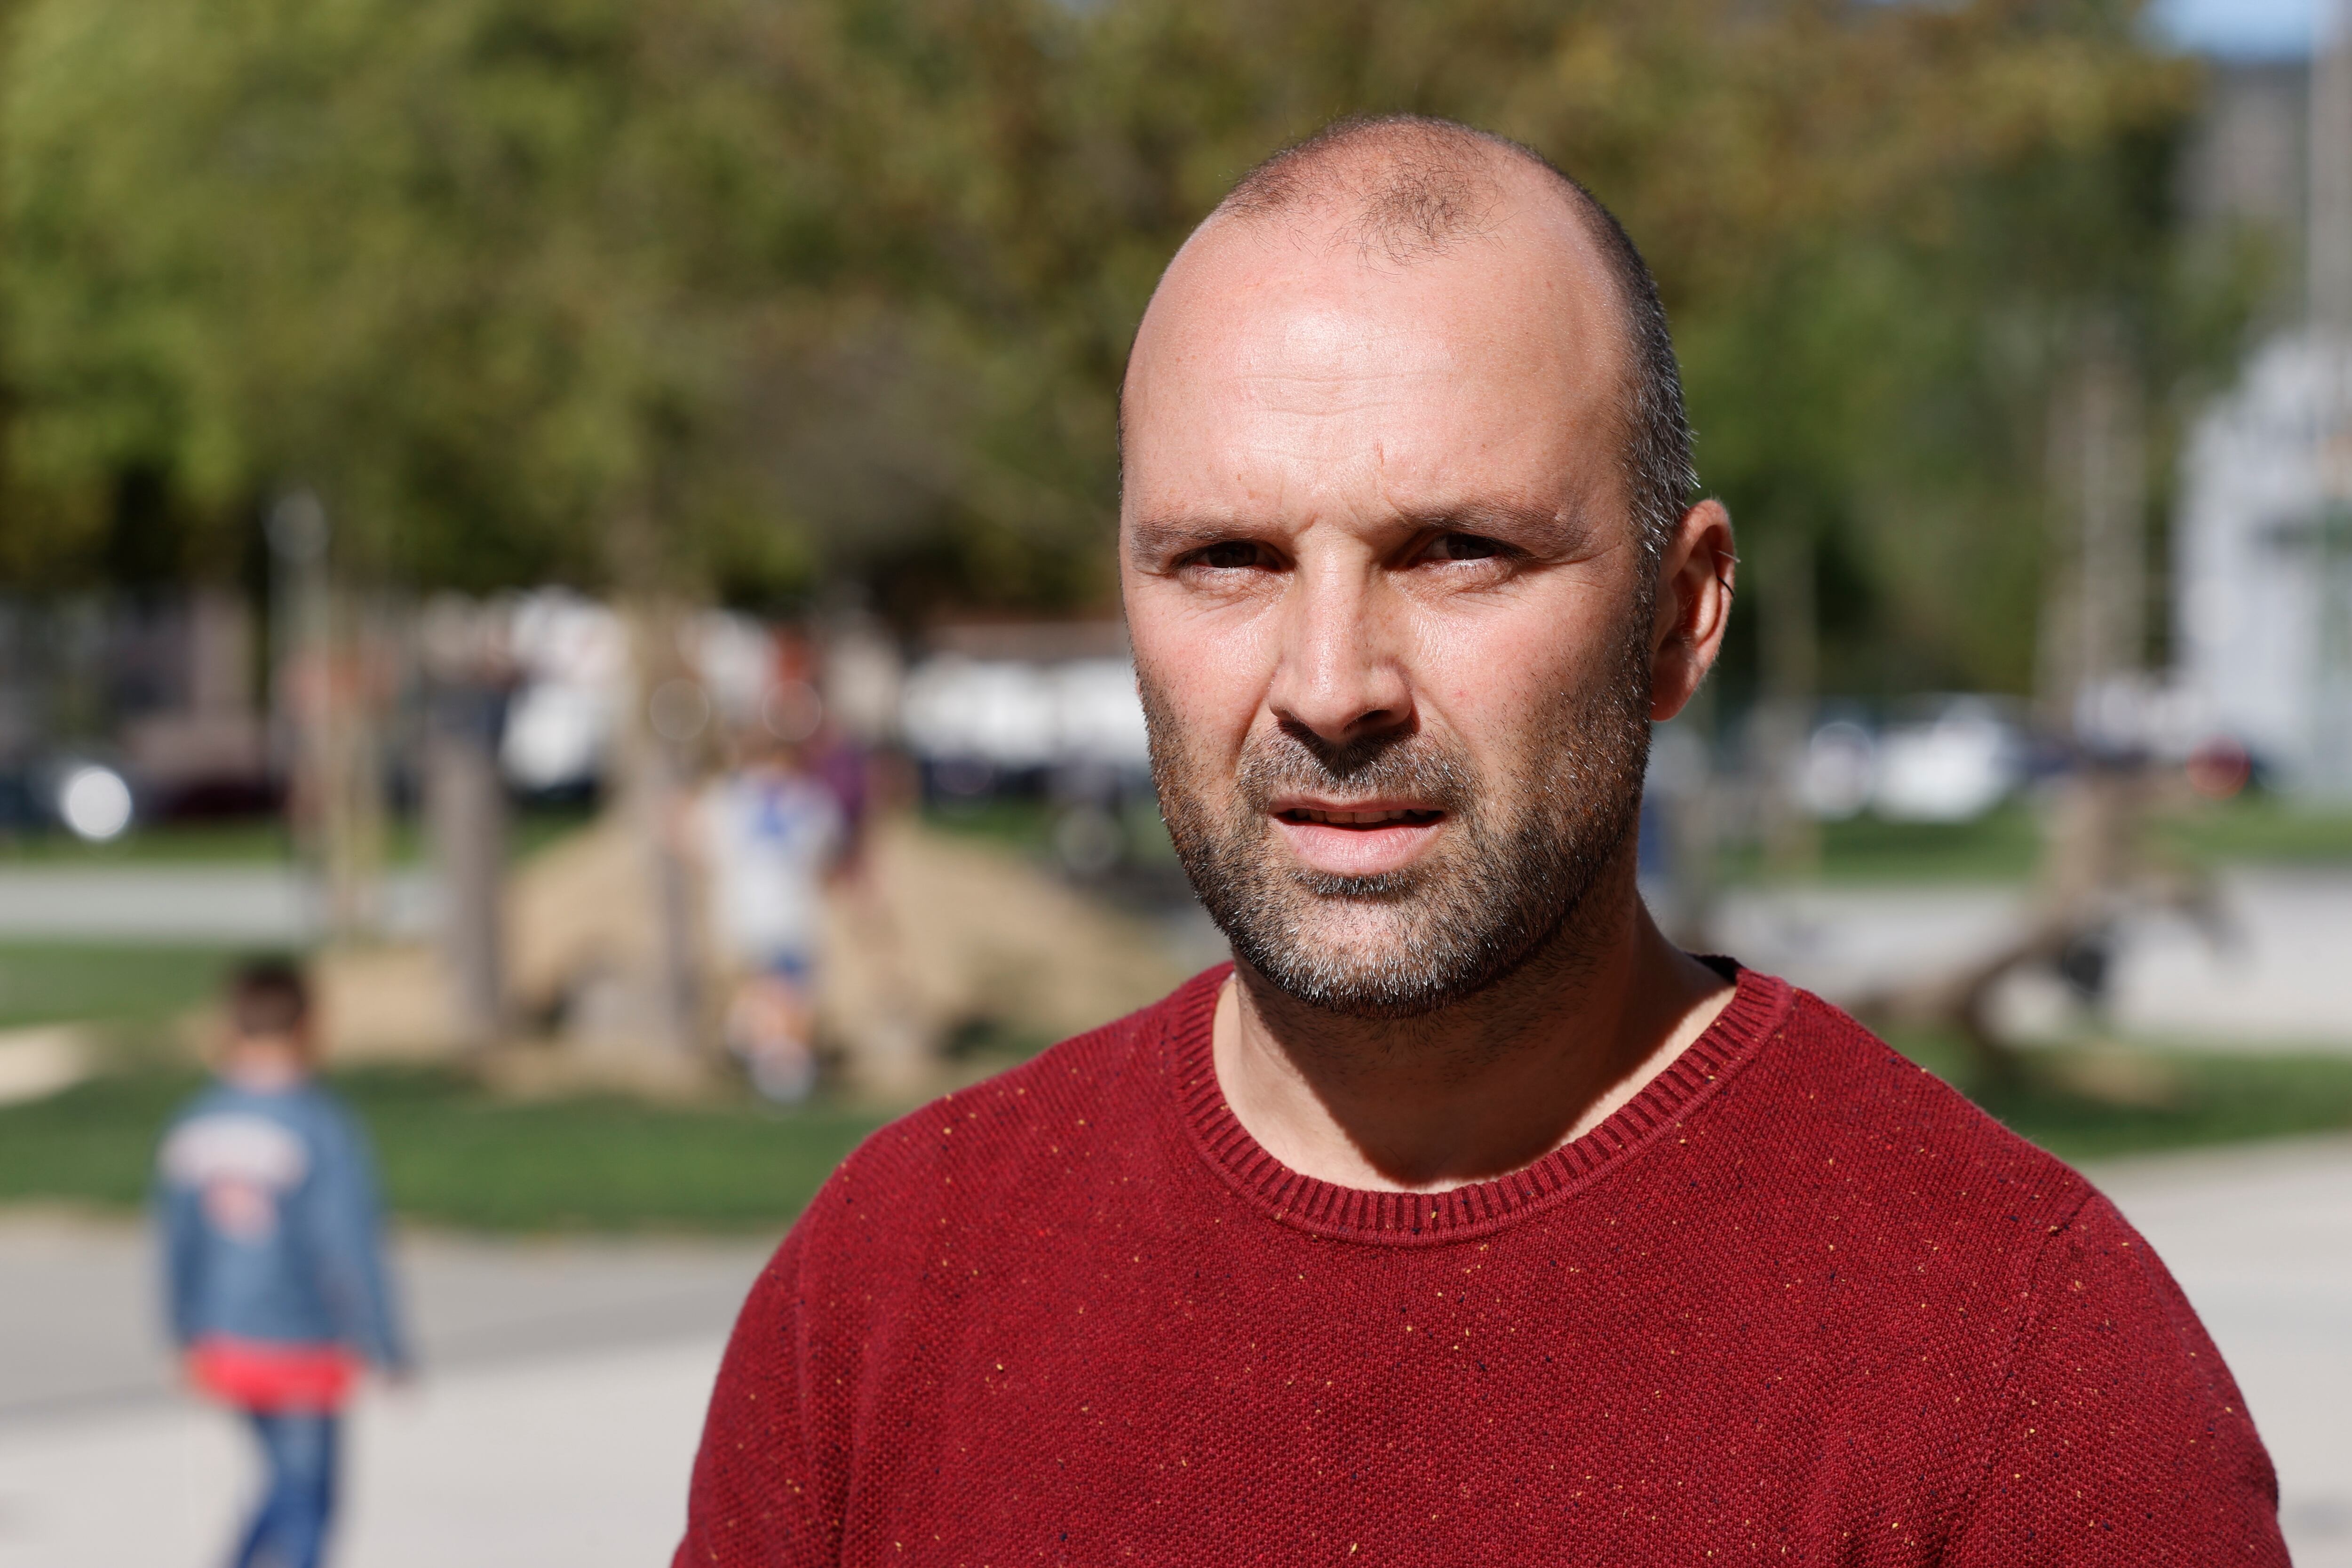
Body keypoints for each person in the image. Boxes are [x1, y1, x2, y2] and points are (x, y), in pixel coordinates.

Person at [676, 116, 2285, 1563]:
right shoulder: (889, 1293)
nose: (1328, 687)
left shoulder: (2025, 1365)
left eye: (1457, 552)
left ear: (1678, 616)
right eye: (1226, 557)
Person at [157, 957, 408, 1568]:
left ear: (228, 1027)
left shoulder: (196, 1122)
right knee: (309, 1502)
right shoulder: (320, 1125)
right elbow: (348, 1242)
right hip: (302, 1342)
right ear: (311, 1029)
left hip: (228, 1342)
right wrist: (384, 1338)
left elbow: (177, 1243)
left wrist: (182, 1332)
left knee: (281, 1483)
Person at [698, 726, 846, 1101]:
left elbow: (824, 852)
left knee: (788, 1000)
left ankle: (782, 1071)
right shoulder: (732, 802)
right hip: (750, 917)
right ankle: (773, 1069)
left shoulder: (805, 804)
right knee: (767, 998)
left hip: (791, 917)